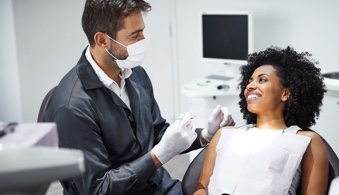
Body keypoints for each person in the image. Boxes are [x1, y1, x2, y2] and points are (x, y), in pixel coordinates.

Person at [43, 0, 235, 194]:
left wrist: (204, 135)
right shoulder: (73, 107)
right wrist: (158, 156)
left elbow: (158, 132)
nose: (143, 40)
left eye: (142, 31)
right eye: (135, 35)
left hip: (156, 186)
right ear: (102, 40)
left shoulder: (136, 75)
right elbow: (98, 188)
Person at [194, 46, 329, 195]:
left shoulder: (306, 141)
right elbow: (202, 187)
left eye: (262, 80)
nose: (250, 86)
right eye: (250, 81)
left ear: (285, 93)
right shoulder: (224, 134)